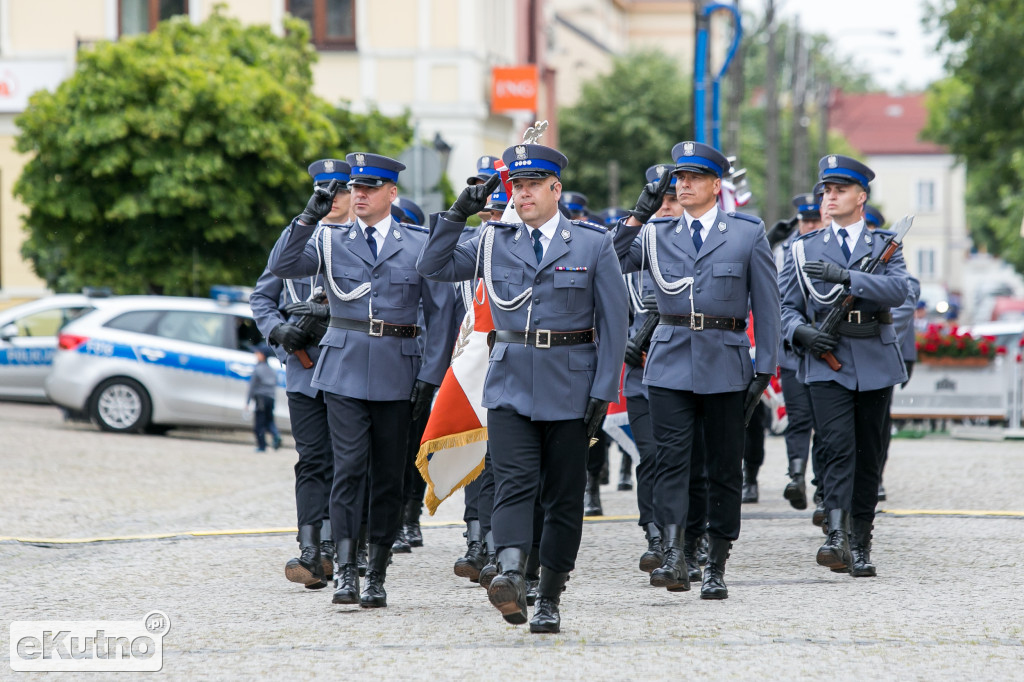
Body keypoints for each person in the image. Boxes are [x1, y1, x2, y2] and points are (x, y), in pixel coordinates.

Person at [417, 142, 628, 634]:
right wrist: (458, 214)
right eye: (516, 184)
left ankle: (550, 594)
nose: (523, 192)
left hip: (572, 385)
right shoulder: (492, 240)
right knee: (513, 483)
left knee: (561, 496)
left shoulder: (592, 244)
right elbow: (432, 267)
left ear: (556, 189)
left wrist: (603, 390)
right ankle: (511, 575)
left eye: (533, 183)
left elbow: (615, 324)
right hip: (510, 380)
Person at [269, 152, 457, 609]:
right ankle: (347, 573)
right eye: (355, 188)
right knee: (348, 470)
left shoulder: (417, 242)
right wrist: (309, 215)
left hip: (398, 369)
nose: (359, 195)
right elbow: (282, 265)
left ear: (391, 193)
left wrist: (431, 376)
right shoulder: (329, 240)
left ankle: (377, 572)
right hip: (344, 368)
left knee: (388, 478)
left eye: (369, 188)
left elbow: (443, 310)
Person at [613, 141, 780, 599]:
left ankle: (717, 560)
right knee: (671, 462)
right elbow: (610, 258)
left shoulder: (746, 233)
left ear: (714, 185)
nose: (682, 185)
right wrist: (639, 212)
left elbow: (767, 305)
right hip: (667, 361)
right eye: (678, 179)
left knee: (725, 465)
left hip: (725, 361)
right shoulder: (656, 233)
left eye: (692, 178)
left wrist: (764, 368)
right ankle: (674, 552)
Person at [780, 154, 910, 577]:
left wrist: (846, 277)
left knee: (869, 454)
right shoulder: (802, 249)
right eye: (826, 191)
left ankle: (862, 539)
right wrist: (801, 334)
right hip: (826, 359)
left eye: (839, 191)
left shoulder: (884, 245)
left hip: (872, 354)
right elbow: (784, 309)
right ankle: (835, 534)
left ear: (861, 197)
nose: (830, 197)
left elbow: (898, 290)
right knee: (836, 447)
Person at [251, 158, 350, 590]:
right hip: (305, 370)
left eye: (339, 190)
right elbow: (262, 297)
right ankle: (312, 551)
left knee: (350, 463)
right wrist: (278, 330)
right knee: (312, 460)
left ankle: (344, 547)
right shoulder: (296, 239)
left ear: (354, 193)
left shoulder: (360, 239)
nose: (331, 199)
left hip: (352, 370)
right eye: (323, 190)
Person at [775, 192, 825, 513]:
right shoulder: (783, 251)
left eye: (813, 220)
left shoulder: (827, 245)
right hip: (793, 348)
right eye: (804, 220)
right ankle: (796, 475)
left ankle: (822, 486)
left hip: (824, 349)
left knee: (824, 422)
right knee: (798, 418)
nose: (808, 225)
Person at [247, 343, 283, 453]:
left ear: (262, 355)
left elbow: (252, 387)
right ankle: (276, 435)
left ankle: (262, 446)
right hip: (271, 399)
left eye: (257, 353)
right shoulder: (272, 370)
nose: (255, 354)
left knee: (259, 423)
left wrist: (247, 402)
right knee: (270, 420)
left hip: (261, 399)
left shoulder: (257, 369)